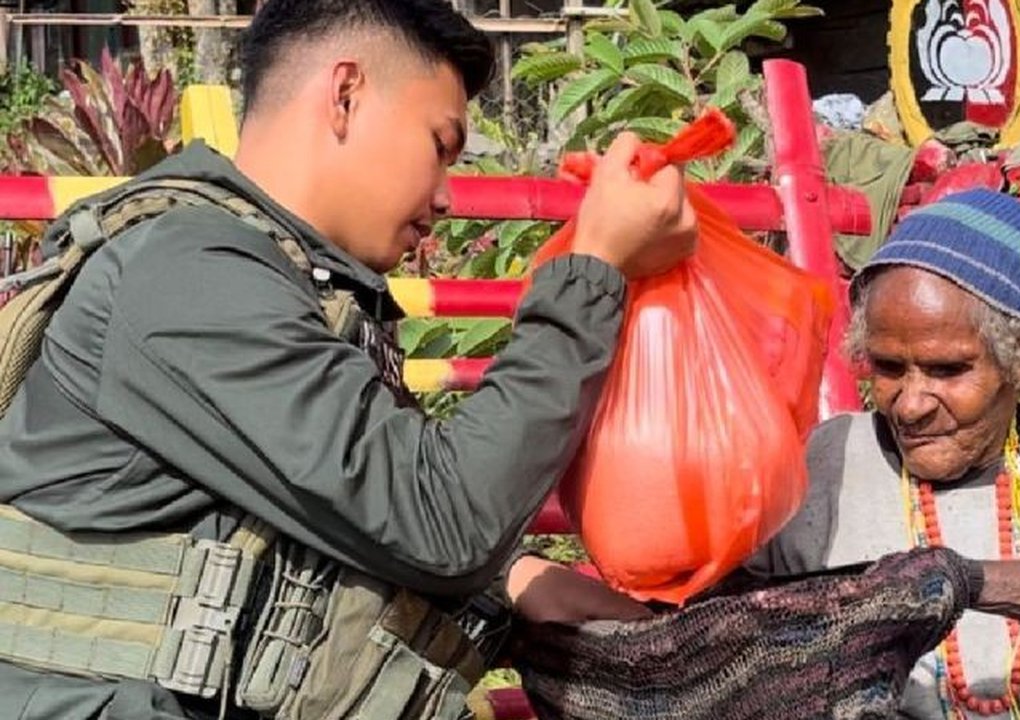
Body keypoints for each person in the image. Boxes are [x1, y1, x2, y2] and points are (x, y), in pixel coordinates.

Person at [0, 1, 681, 717]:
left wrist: (515, 580)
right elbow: (444, 519)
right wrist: (596, 267)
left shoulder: (282, 281)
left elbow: (353, 501)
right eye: (440, 145)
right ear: (346, 94)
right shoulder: (183, 273)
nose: (446, 198)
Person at [749, 189, 1020, 719]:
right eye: (887, 368)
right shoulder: (830, 457)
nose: (910, 404)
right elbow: (722, 608)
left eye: (947, 370)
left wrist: (957, 580)